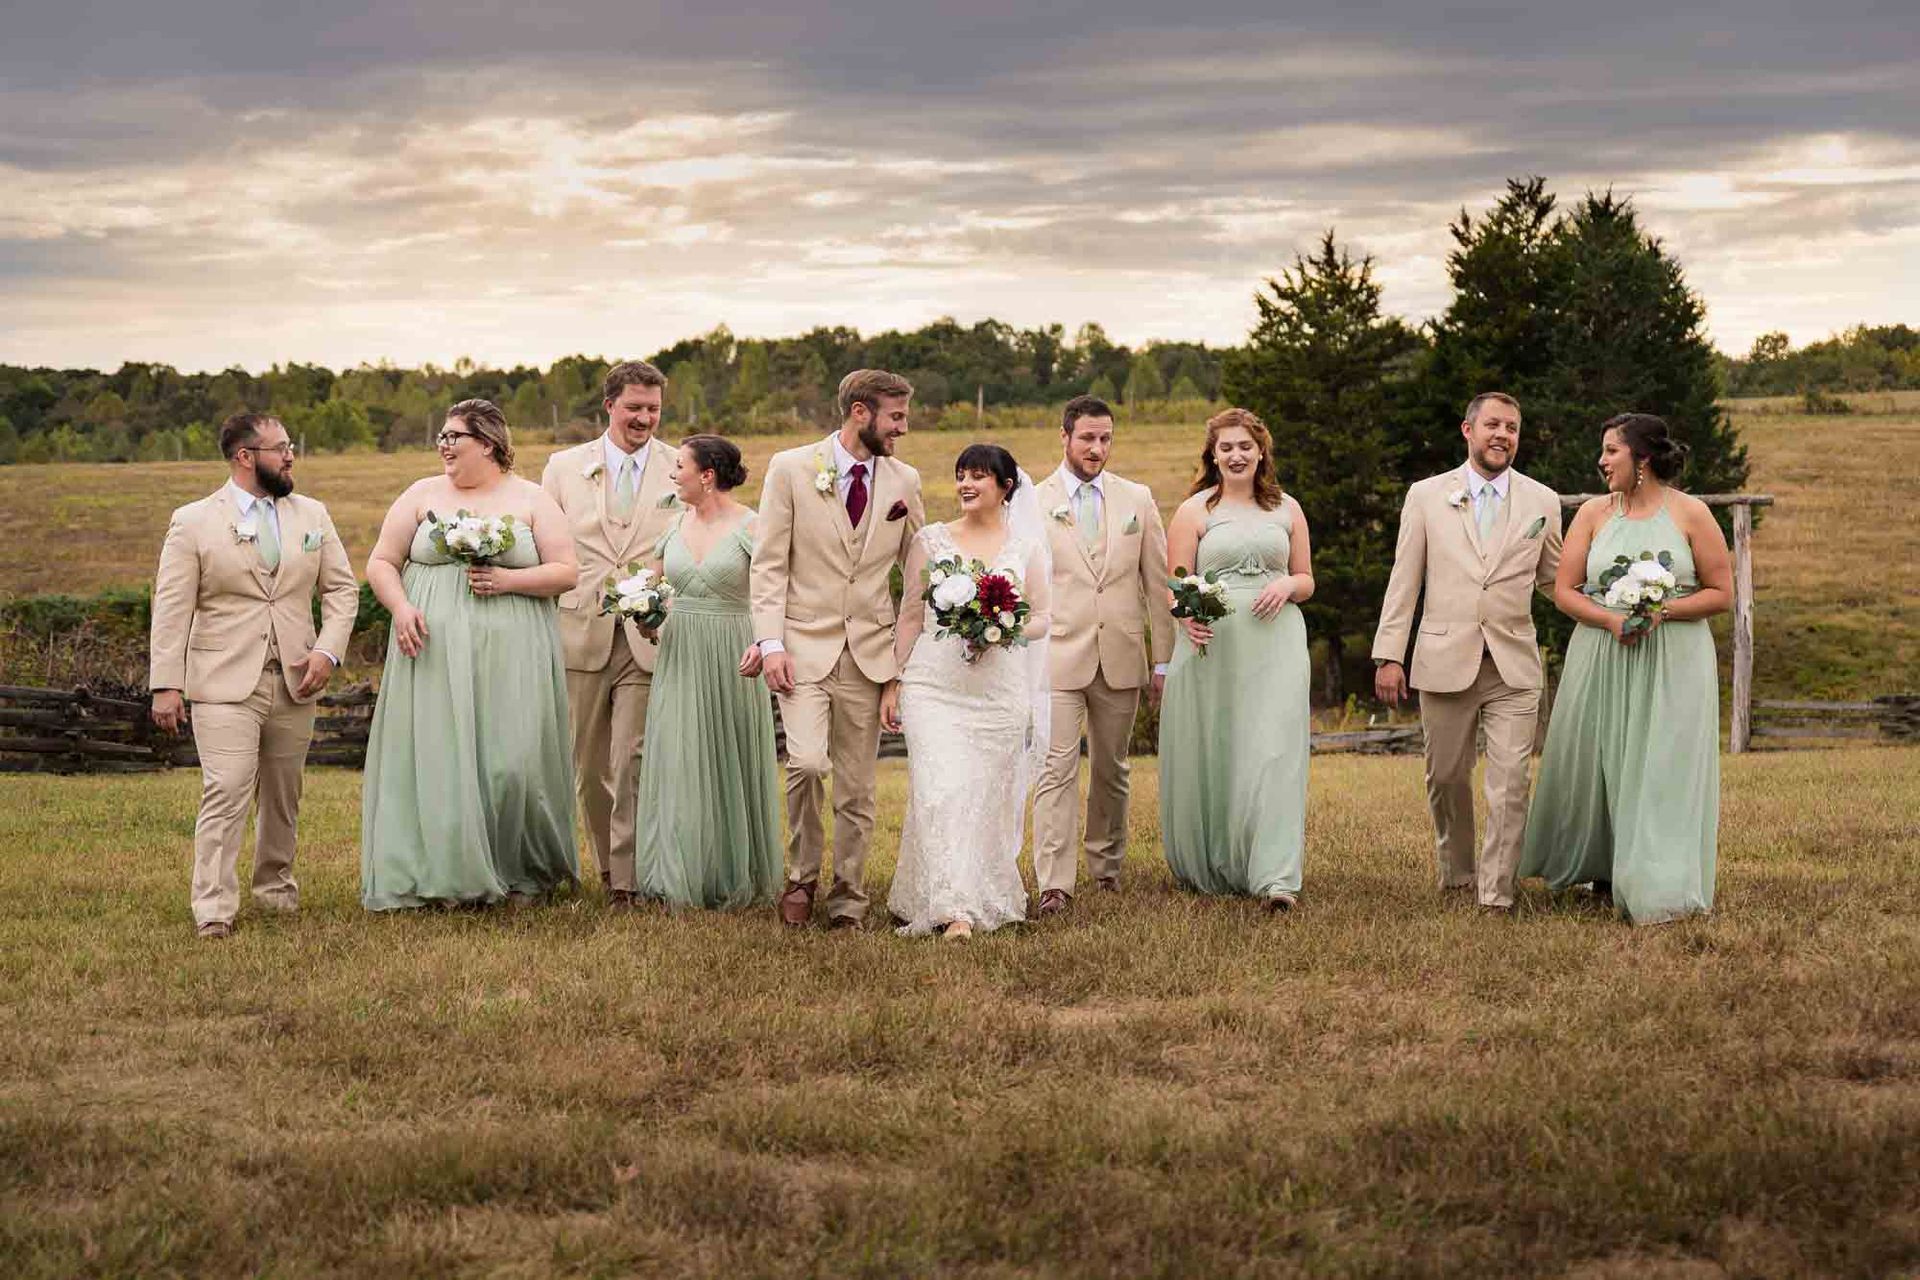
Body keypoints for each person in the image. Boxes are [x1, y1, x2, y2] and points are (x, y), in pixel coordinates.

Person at [360, 399, 580, 910]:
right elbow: (381, 561)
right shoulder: (420, 494)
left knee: (513, 761)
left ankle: (519, 871)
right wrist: (399, 607)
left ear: (488, 442)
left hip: (515, 652)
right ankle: (439, 874)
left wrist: (509, 580)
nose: (443, 445)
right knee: (438, 757)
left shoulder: (531, 498)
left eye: (453, 436)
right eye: (440, 436)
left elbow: (567, 571)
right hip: (433, 653)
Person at [149, 412, 358, 939]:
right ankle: (214, 908)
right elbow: (172, 608)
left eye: (290, 447)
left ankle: (275, 890)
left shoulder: (312, 514)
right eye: (279, 448)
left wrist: (327, 654)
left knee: (285, 794)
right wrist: (166, 684)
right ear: (245, 457)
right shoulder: (193, 521)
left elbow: (341, 591)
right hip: (222, 681)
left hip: (296, 677)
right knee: (227, 787)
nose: (290, 456)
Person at [1520, 413, 1729, 924]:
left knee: (1661, 763)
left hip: (1675, 657)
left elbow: (1722, 593)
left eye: (1611, 450)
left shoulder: (1692, 513)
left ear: (1643, 459)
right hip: (1602, 651)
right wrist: (1612, 621)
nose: (1602, 460)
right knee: (1601, 760)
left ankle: (1660, 877)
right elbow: (1565, 591)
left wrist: (1661, 610)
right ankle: (1603, 870)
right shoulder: (1593, 513)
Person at [1371, 392, 1563, 915]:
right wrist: (1390, 654)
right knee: (1447, 776)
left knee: (1511, 781)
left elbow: (1553, 579)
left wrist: (1606, 607)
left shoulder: (1542, 502)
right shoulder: (1427, 496)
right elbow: (1404, 579)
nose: (1503, 435)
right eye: (1494, 425)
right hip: (1443, 658)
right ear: (1468, 431)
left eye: (1514, 428)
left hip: (1514, 663)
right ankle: (1458, 873)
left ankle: (1496, 892)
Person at [750, 369, 926, 930]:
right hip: (800, 647)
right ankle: (801, 877)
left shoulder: (905, 481)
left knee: (857, 786)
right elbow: (769, 562)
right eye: (895, 417)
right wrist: (771, 641)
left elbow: (917, 575)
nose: (904, 427)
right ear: (859, 412)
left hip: (870, 653)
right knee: (804, 762)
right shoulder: (791, 469)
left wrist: (902, 664)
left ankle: (848, 896)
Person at [882, 445, 1051, 938]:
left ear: (1006, 487)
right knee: (942, 790)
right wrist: (895, 680)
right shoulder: (930, 542)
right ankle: (953, 909)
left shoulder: (1026, 548)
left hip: (999, 692)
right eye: (960, 475)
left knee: (983, 798)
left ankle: (969, 890)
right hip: (934, 686)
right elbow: (910, 615)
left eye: (979, 475)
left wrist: (1004, 626)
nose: (966, 484)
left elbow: (1042, 617)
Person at [1157, 408, 1314, 910]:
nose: (1236, 455)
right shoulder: (1194, 511)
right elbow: (1176, 584)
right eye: (1226, 447)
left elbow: (1307, 578)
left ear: (1261, 451)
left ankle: (1276, 878)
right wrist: (1186, 617)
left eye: (1245, 446)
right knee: (1222, 750)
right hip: (1213, 646)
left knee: (1273, 753)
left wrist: (1289, 584)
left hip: (1277, 646)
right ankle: (1218, 859)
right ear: (1213, 455)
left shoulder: (1287, 508)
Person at [539, 361, 680, 908]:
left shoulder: (679, 466)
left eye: (653, 409)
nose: (644, 418)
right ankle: (605, 865)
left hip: (649, 633)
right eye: (634, 408)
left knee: (632, 759)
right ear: (610, 407)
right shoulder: (563, 466)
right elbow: (544, 539)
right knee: (589, 766)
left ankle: (630, 880)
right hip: (579, 627)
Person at [1030, 396, 1175, 915]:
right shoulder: (1032, 498)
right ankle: (1054, 882)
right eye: (1088, 437)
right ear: (1064, 436)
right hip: (1057, 657)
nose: (1097, 448)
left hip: (1120, 654)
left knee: (1113, 769)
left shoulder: (1137, 498)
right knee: (1056, 768)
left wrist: (1163, 661)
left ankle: (1106, 868)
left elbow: (1158, 584)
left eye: (1106, 438)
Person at [630, 435, 783, 911]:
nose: (672, 474)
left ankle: (732, 872)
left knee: (726, 757)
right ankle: (676, 873)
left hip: (734, 653)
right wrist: (643, 613)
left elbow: (774, 593)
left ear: (707, 475)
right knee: (679, 755)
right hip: (680, 652)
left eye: (680, 466)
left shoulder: (753, 528)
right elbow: (650, 587)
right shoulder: (673, 527)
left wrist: (763, 641)